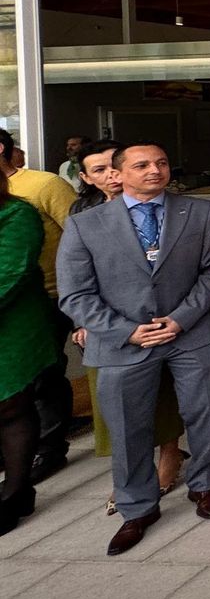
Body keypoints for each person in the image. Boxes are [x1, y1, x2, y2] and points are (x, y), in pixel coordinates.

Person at [56, 142, 210, 555]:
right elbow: (75, 294)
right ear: (118, 174)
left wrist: (181, 318)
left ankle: (206, 486)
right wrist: (126, 331)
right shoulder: (85, 225)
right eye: (143, 165)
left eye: (161, 163)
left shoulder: (199, 212)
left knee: (206, 412)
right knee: (127, 426)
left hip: (189, 332)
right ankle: (138, 507)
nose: (155, 170)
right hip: (122, 342)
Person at [69, 139, 186, 515]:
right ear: (87, 178)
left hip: (168, 322)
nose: (111, 175)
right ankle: (131, 480)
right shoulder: (84, 214)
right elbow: (74, 278)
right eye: (99, 170)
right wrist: (87, 322)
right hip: (109, 329)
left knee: (166, 397)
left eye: (113, 166)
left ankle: (170, 455)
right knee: (118, 409)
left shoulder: (168, 208)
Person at [0, 127, 79, 484]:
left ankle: (49, 448)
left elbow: (79, 234)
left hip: (52, 295)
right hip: (18, 304)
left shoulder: (43, 185)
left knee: (44, 378)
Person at [0, 169, 56, 535]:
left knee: (11, 405)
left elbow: (12, 272)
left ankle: (16, 491)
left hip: (13, 325)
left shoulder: (17, 213)